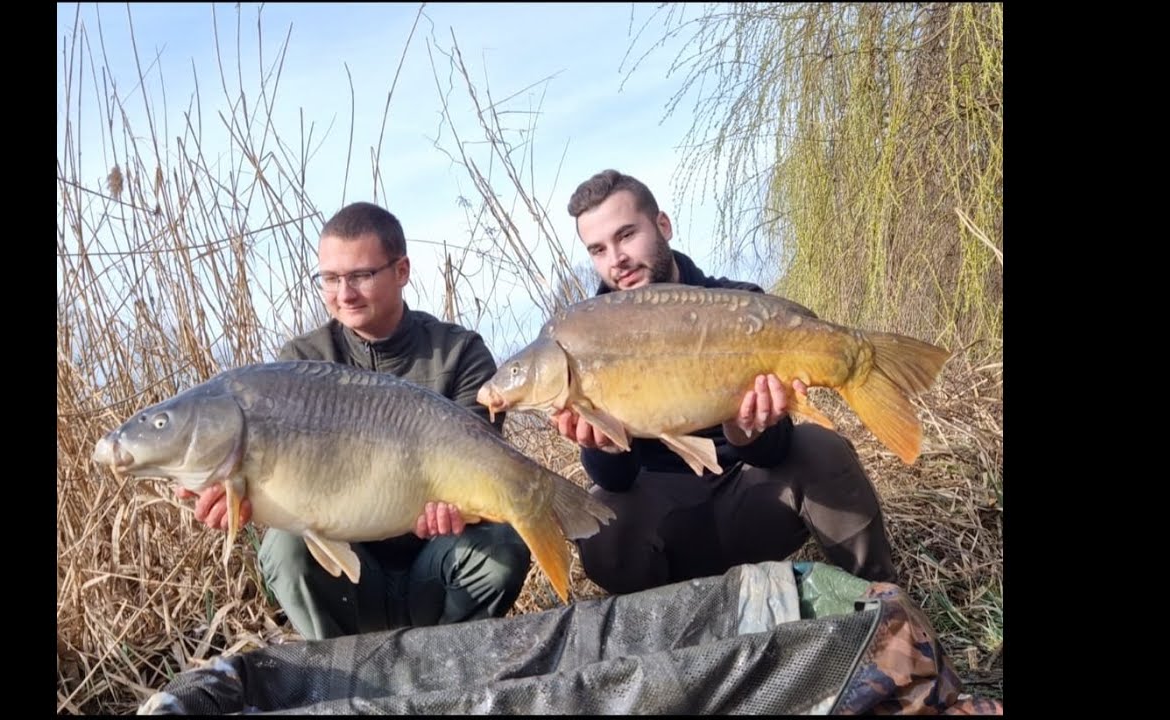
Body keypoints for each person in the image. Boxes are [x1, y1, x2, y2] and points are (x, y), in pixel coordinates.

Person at [177, 201, 532, 640]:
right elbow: (279, 483)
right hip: (349, 577)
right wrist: (234, 495)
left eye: (361, 276)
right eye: (330, 278)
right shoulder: (299, 364)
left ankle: (448, 661)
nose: (344, 294)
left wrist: (458, 509)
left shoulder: (459, 353)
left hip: (438, 564)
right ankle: (346, 673)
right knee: (285, 548)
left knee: (502, 548)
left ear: (401, 270)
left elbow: (479, 469)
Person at [554, 169, 898, 594]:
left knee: (820, 449)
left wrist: (747, 431)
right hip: (668, 520)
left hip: (751, 498)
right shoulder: (587, 341)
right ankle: (672, 631)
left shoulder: (742, 306)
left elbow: (776, 451)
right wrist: (602, 446)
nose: (616, 259)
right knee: (600, 516)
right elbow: (617, 482)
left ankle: (883, 602)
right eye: (598, 249)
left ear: (662, 225)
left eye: (626, 236)